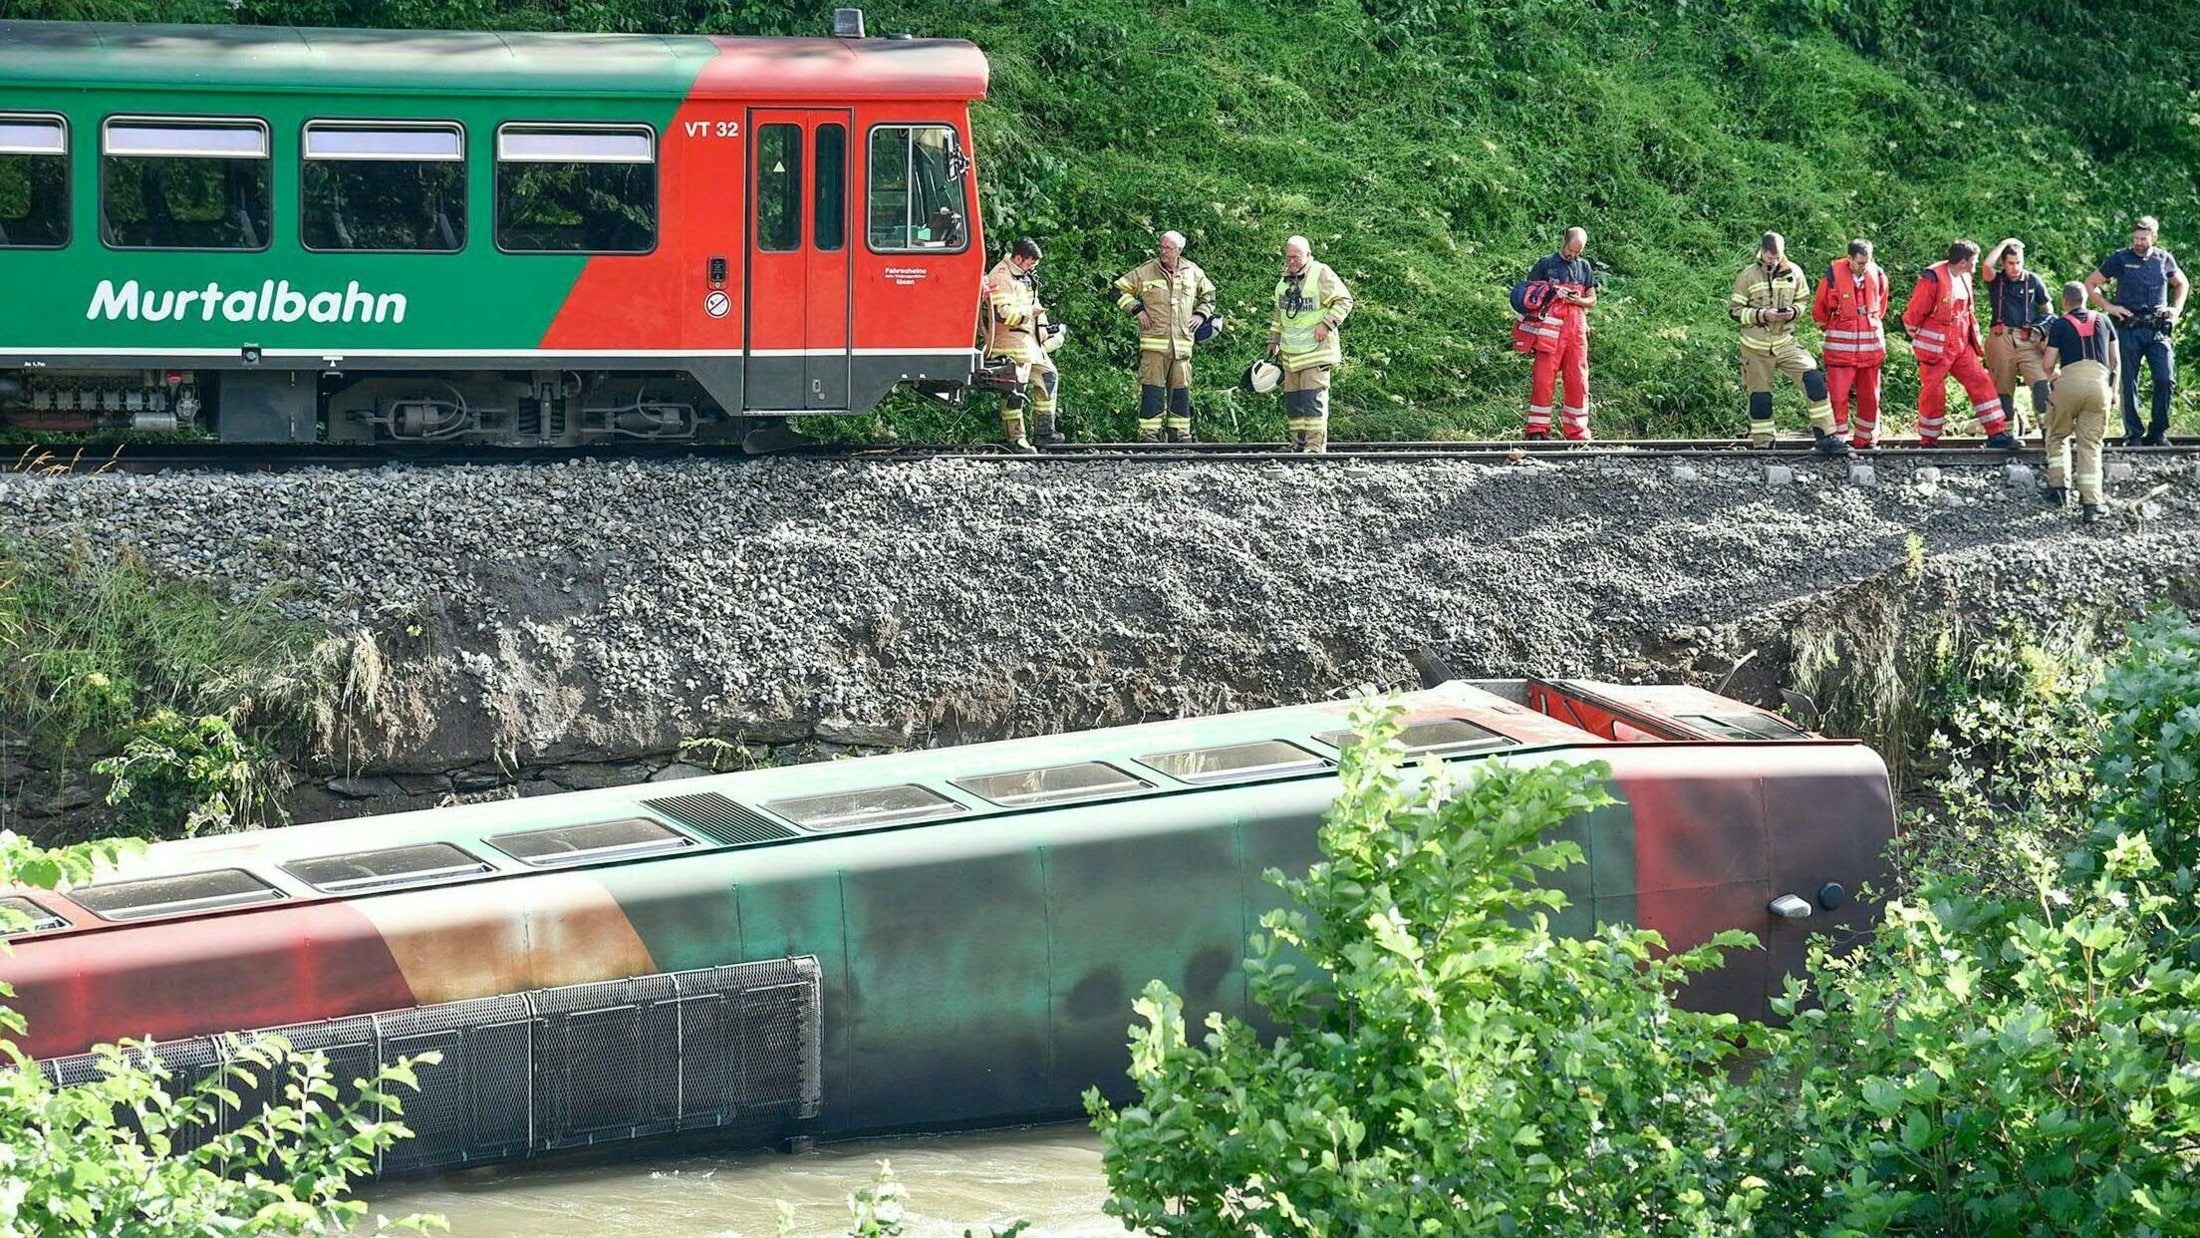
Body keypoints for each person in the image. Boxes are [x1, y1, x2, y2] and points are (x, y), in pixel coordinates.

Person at [1727, 231, 1850, 455]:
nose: (1774, 261)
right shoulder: (1748, 275)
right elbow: (1735, 312)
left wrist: (1792, 312)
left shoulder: (1794, 272)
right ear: (1762, 252)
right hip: (1755, 347)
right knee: (1760, 398)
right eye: (1770, 257)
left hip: (1785, 342)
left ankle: (1826, 436)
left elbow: (1802, 301)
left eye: (1778, 257)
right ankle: (1764, 446)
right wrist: (1763, 315)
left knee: (1813, 379)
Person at [1900, 240, 2021, 449]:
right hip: (1937, 346)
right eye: (1973, 262)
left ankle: (1997, 433)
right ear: (1963, 262)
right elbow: (1916, 310)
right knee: (1934, 392)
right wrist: (1913, 328)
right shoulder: (1933, 278)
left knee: (1981, 382)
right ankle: (1929, 440)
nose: (1976, 266)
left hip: (1961, 343)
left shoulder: (1965, 275)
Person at [2085, 215, 2188, 445]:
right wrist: (2110, 307)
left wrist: (2176, 309)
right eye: (2135, 238)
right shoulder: (2121, 258)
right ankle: (2133, 433)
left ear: (2154, 237)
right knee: (2128, 380)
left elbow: (2182, 283)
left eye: (2143, 238)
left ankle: (2158, 431)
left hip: (2156, 329)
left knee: (2165, 379)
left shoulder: (2164, 259)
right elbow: (2090, 284)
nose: (2138, 243)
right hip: (2128, 327)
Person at [1113, 230, 1218, 443]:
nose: (1163, 252)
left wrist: (1200, 314)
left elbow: (1210, 296)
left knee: (1181, 392)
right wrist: (1137, 309)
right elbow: (1117, 290)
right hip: (1154, 346)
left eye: (1169, 248)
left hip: (1182, 346)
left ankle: (1180, 436)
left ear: (1179, 250)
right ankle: (1149, 436)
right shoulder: (1146, 271)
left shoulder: (1193, 272)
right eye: (1161, 247)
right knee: (1152, 392)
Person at [2041, 280, 2120, 522]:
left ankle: (2059, 489)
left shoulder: (2060, 324)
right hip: (2099, 386)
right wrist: (2113, 391)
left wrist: (2055, 377)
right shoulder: (2105, 320)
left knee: (2057, 435)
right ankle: (2091, 504)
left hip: (2069, 383)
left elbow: (2047, 364)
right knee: (2090, 445)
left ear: (2065, 301)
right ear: (2085, 298)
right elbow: (2115, 360)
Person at [1268, 235, 1354, 453]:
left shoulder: (1321, 273)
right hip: (1291, 354)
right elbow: (1280, 313)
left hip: (1316, 353)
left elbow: (1344, 300)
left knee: (1312, 401)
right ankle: (1299, 443)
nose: (1292, 261)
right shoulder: (1286, 277)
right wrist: (1273, 340)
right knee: (1293, 402)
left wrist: (1326, 324)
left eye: (1296, 257)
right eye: (1288, 257)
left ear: (1308, 255)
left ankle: (1315, 447)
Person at [1811, 238, 1889, 449]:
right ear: (1850, 259)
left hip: (1871, 349)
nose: (1865, 267)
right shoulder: (1832, 277)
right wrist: (1839, 324)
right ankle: (1838, 439)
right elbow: (1820, 311)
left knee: (1871, 397)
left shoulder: (1878, 275)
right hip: (1840, 351)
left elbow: (1880, 306)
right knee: (1837, 396)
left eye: (1868, 262)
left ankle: (1867, 439)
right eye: (1861, 263)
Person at [1521, 226, 1598, 441]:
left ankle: (1577, 433)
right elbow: (1528, 294)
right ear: (1564, 242)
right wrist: (1552, 293)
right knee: (1543, 379)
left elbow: (1592, 300)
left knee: (1578, 380)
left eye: (1577, 252)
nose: (1573, 255)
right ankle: (1537, 430)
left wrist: (1577, 300)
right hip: (1550, 332)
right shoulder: (1546, 263)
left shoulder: (1584, 267)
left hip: (1577, 332)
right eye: (1570, 250)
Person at [981, 236, 1056, 452]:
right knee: (1015, 390)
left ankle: (1044, 433)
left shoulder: (1023, 275)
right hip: (1009, 344)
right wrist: (1028, 315)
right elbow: (1001, 314)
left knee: (1048, 376)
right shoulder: (1002, 276)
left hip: (1030, 344)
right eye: (1030, 263)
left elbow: (1035, 302)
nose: (1032, 267)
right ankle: (1016, 438)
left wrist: (1042, 325)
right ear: (1019, 257)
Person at [1981, 238, 2054, 440]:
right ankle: (2006, 434)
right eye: (2011, 263)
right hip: (2001, 337)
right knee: (2002, 389)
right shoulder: (1997, 280)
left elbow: (2048, 309)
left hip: (2028, 338)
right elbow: (1986, 266)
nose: (2015, 267)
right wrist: (2003, 244)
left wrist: (2041, 328)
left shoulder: (2033, 280)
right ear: (2004, 264)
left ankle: (2048, 431)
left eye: (2019, 262)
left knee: (2041, 382)